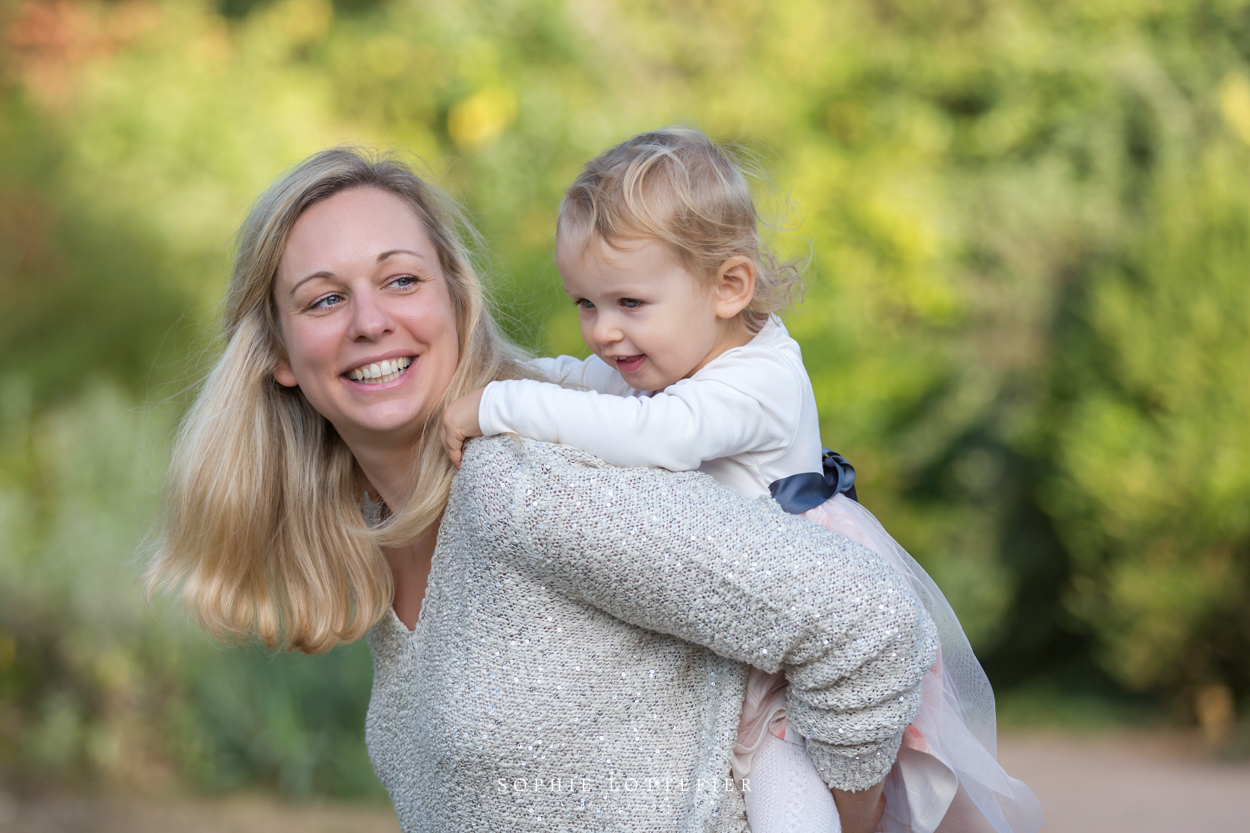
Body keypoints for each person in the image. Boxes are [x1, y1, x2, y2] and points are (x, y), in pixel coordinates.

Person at [146, 146, 938, 833]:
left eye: (400, 279)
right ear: (281, 353)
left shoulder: (524, 488)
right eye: (324, 298)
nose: (368, 320)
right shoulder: (381, 529)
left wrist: (835, 812)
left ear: (456, 300)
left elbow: (869, 624)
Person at [441, 128, 1043, 833]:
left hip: (807, 635)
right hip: (739, 627)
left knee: (789, 798)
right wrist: (502, 377)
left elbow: (656, 439)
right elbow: (582, 381)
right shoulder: (661, 356)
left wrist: (496, 406)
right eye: (585, 304)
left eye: (628, 303)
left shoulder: (757, 380)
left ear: (729, 287)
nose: (603, 331)